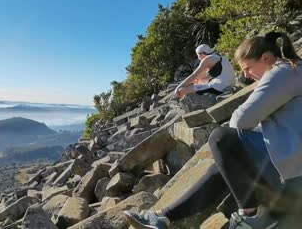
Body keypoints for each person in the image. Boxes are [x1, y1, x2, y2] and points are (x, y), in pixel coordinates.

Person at [124, 31, 302, 229]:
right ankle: (163, 218)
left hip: (295, 178)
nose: (245, 75)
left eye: (248, 68)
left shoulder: (281, 72)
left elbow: (240, 121)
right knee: (226, 163)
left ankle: (248, 215)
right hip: (292, 171)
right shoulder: (293, 71)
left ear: (266, 58)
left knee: (221, 138)